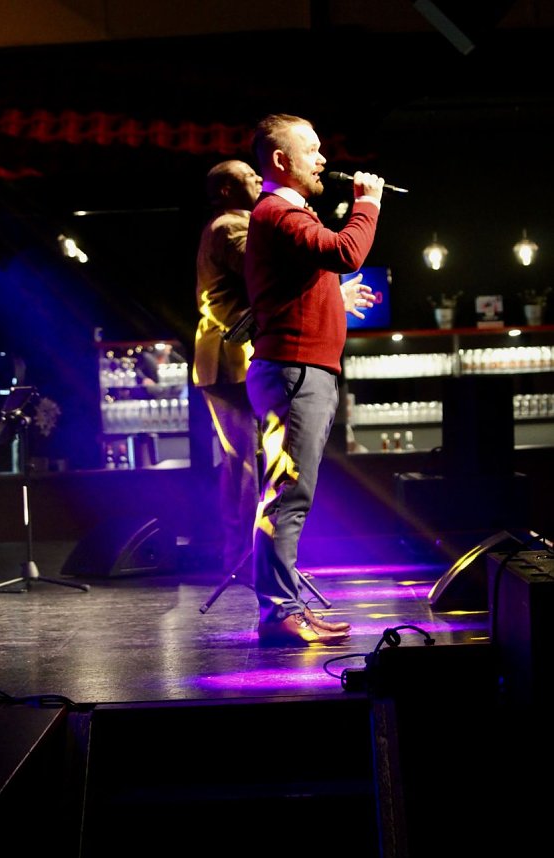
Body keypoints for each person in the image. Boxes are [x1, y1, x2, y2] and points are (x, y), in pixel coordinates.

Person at [244, 113, 384, 646]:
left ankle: (287, 606)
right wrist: (368, 204)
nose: (323, 159)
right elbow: (346, 251)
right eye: (312, 149)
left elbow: (299, 284)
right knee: (286, 497)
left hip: (301, 373)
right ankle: (279, 612)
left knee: (291, 494)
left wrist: (334, 297)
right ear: (282, 160)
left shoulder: (287, 213)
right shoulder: (278, 211)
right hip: (294, 375)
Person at [192, 160, 263, 583]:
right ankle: (245, 555)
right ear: (224, 190)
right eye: (247, 175)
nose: (258, 179)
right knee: (245, 460)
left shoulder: (237, 223)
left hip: (229, 355)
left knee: (242, 460)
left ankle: (243, 553)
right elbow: (259, 271)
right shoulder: (230, 227)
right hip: (229, 356)